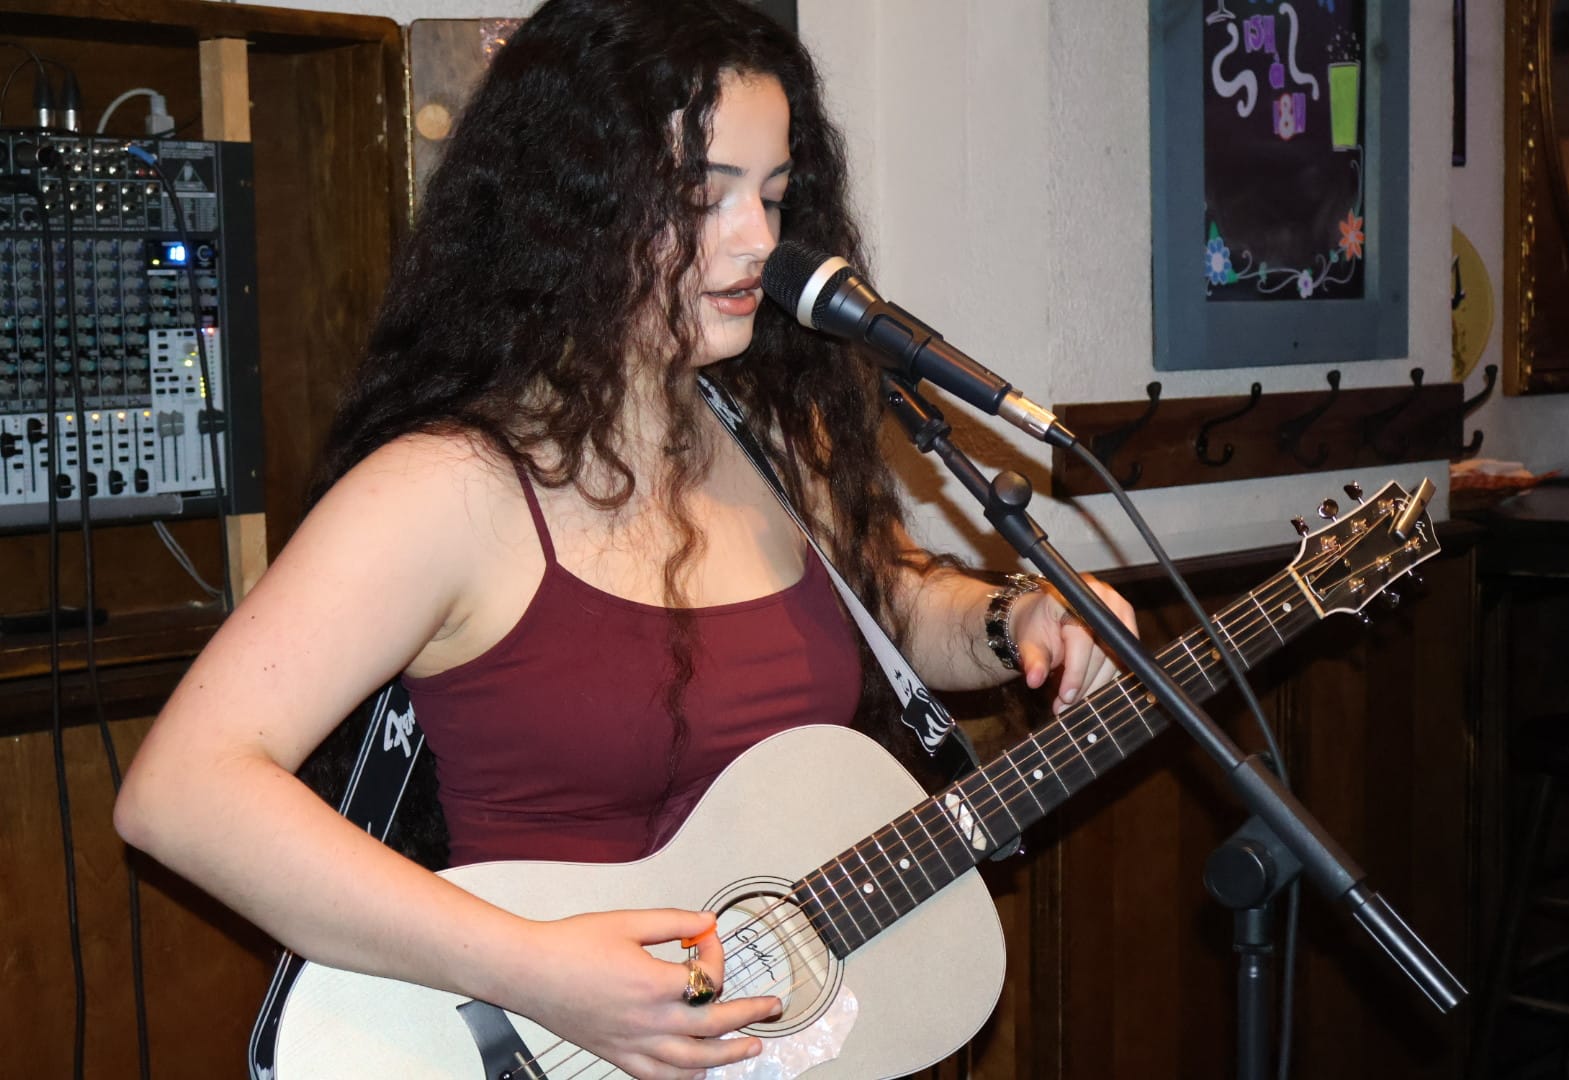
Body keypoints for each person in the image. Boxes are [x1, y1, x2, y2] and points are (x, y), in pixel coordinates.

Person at [113, 1, 1136, 1077]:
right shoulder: (446, 488)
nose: (760, 242)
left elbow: (891, 599)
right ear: (573, 211)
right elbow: (181, 792)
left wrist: (1017, 615)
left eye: (774, 196)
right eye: (703, 200)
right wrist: (533, 969)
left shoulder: (779, 441)